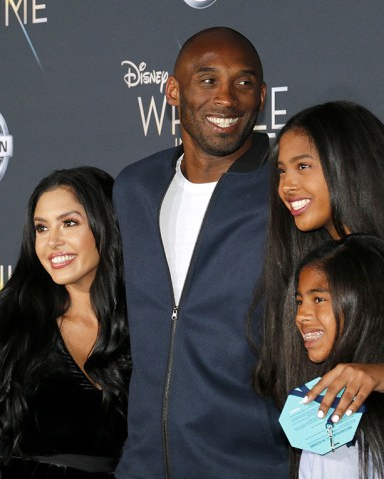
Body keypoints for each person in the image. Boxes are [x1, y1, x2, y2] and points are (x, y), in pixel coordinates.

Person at [113, 27, 288, 478]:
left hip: (252, 466)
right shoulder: (135, 188)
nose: (227, 99)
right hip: (144, 466)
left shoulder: (288, 191)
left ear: (263, 96)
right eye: (208, 80)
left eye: (244, 83)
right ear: (173, 90)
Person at [253, 101, 384, 476]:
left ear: (349, 165)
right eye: (281, 171)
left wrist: (377, 374)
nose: (286, 186)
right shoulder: (300, 270)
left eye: (303, 166)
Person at [0, 167, 130, 478]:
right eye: (41, 229)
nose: (52, 242)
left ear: (106, 225)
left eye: (69, 223)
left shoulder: (149, 326)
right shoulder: (12, 324)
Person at [293, 234, 384, 478]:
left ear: (361, 301)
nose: (301, 316)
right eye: (299, 301)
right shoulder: (317, 409)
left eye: (319, 299)